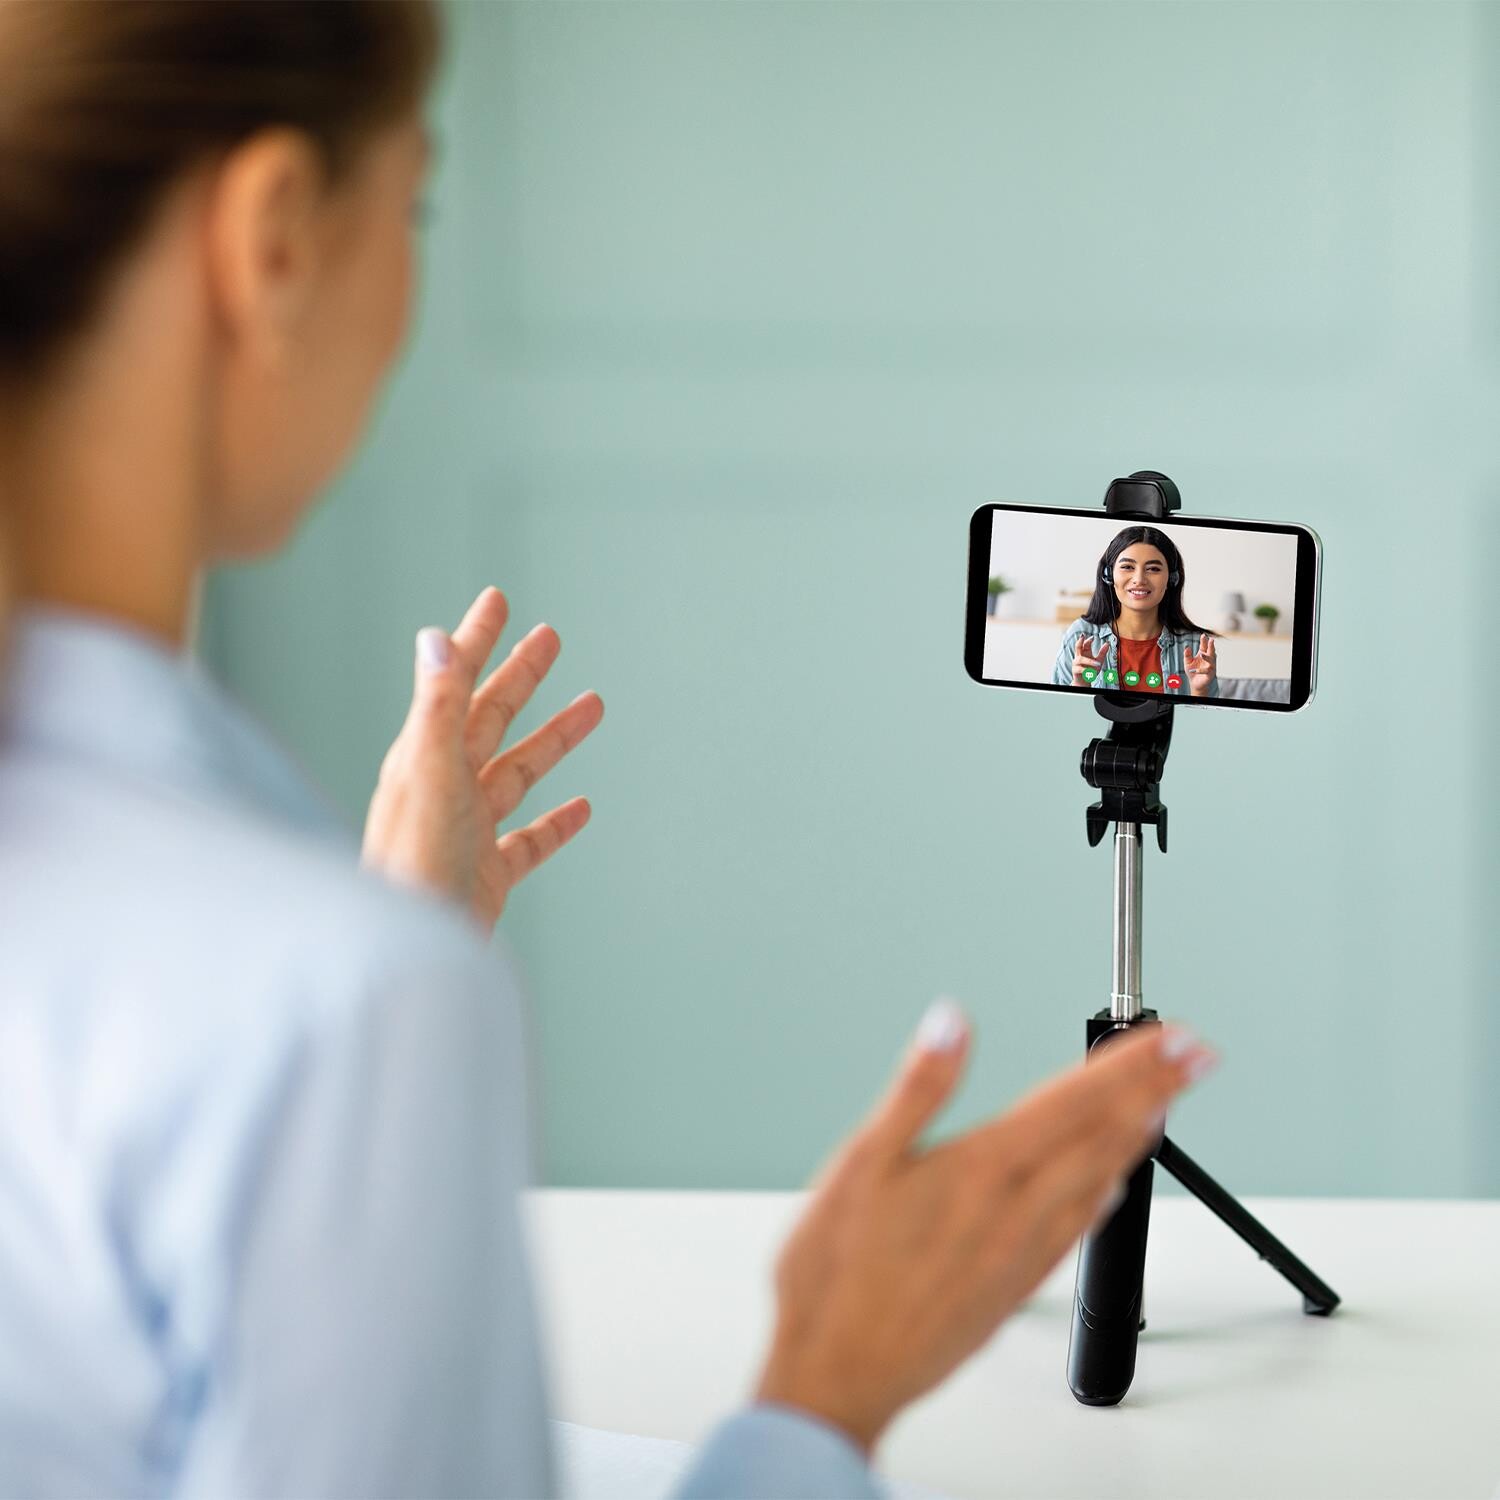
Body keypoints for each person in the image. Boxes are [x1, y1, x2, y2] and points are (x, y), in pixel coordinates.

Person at [0, 5, 1216, 1495]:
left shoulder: (267, 961)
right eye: (414, 206)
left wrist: (387, 940)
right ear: (272, 242)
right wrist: (825, 1391)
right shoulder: (335, 1005)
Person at [1052, 526, 1221, 697]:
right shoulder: (1080, 636)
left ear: (1172, 579)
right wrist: (1080, 686)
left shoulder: (1195, 644)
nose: (1139, 579)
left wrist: (1199, 691)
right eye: (1127, 567)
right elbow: (1058, 711)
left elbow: (1208, 714)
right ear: (1109, 575)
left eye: (1153, 569)